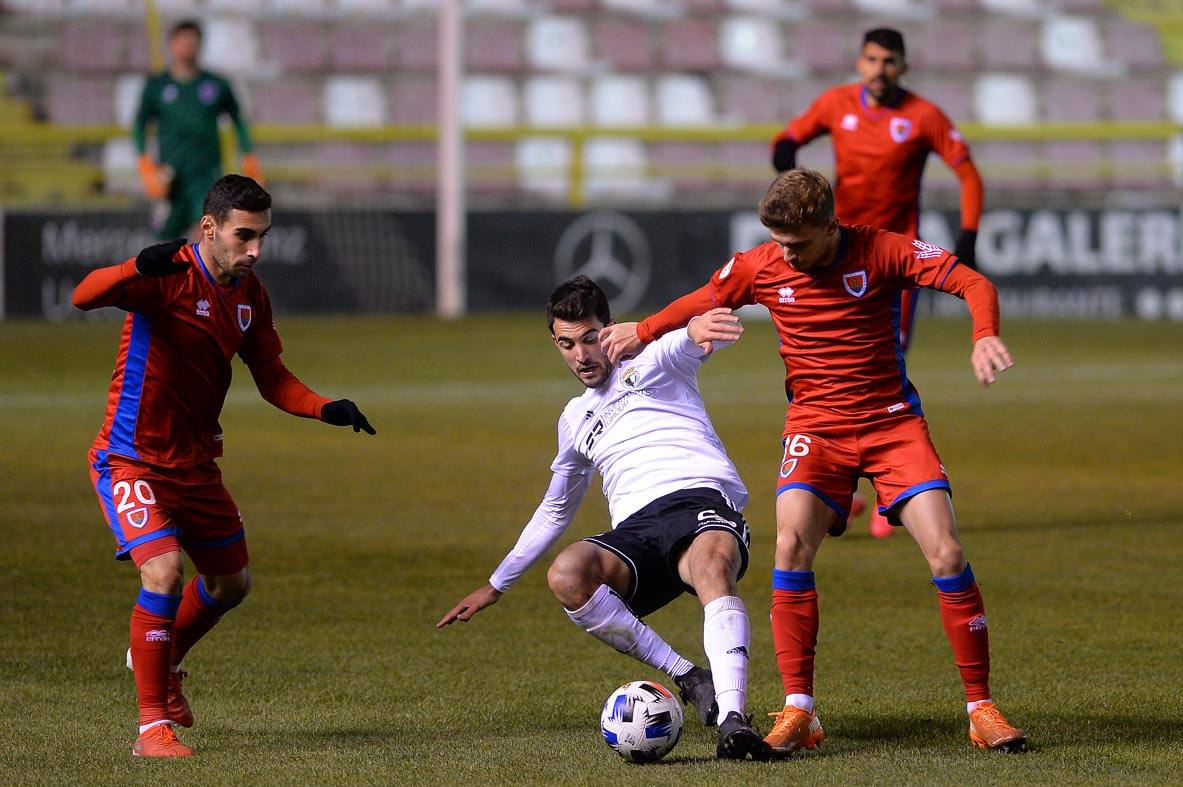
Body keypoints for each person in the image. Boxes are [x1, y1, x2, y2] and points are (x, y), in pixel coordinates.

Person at [599, 169, 1026, 757]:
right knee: (790, 547)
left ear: (830, 226)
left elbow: (972, 281)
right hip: (815, 429)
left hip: (892, 424)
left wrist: (983, 334)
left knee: (948, 553)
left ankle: (981, 708)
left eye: (797, 244)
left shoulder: (883, 250)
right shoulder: (761, 265)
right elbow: (704, 297)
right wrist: (644, 331)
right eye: (778, 242)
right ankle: (799, 709)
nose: (787, 254)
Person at [73, 175, 374, 758]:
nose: (255, 249)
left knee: (232, 583)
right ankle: (151, 728)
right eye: (244, 236)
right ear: (209, 228)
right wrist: (135, 266)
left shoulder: (250, 294)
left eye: (263, 237)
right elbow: (83, 296)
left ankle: (164, 659)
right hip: (131, 459)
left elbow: (272, 377)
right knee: (163, 574)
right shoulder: (166, 276)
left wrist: (325, 408)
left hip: (195, 464)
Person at [438, 276, 771, 761]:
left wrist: (697, 328)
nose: (581, 355)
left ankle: (733, 720)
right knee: (567, 574)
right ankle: (688, 677)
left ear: (610, 329)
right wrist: (495, 585)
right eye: (567, 344)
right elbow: (556, 508)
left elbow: (687, 338)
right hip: (636, 533)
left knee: (710, 566)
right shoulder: (575, 418)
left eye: (590, 338)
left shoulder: (652, 358)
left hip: (698, 500)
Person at [771, 27, 985, 536]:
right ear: (859, 62)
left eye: (889, 61)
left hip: (891, 262)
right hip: (835, 254)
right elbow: (787, 140)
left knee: (883, 367)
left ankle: (891, 489)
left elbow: (968, 175)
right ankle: (839, 487)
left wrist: (969, 238)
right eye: (872, 59)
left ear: (903, 66)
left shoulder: (923, 116)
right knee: (821, 363)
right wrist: (791, 184)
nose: (879, 69)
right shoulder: (836, 103)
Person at [134, 19, 263, 240]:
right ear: (171, 44)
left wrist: (248, 156)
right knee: (164, 241)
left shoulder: (217, 84)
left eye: (193, 42)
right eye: (183, 41)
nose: (188, 46)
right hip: (170, 176)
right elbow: (139, 125)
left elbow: (238, 121)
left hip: (205, 175)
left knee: (206, 233)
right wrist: (145, 164)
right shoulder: (157, 86)